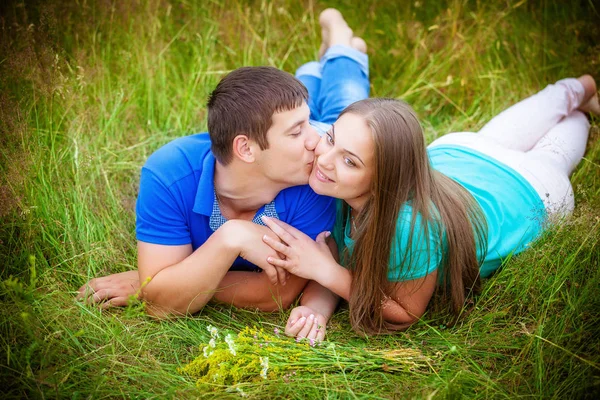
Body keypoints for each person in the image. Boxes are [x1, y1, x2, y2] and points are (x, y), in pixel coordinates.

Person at [76, 9, 370, 317]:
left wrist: (180, 280)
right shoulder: (168, 174)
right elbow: (161, 306)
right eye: (298, 132)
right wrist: (234, 237)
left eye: (304, 126)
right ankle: (324, 61)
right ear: (245, 149)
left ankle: (341, 45)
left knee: (345, 109)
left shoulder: (315, 176)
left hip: (322, 130)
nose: (315, 142)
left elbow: (276, 295)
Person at [261, 75, 600, 339]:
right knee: (512, 126)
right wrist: (316, 310)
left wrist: (325, 271)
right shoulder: (333, 187)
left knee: (554, 151)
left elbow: (406, 310)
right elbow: (333, 258)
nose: (323, 158)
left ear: (385, 178)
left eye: (350, 161)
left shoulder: (409, 227)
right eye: (332, 138)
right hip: (459, 155)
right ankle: (581, 89)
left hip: (529, 189)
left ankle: (582, 102)